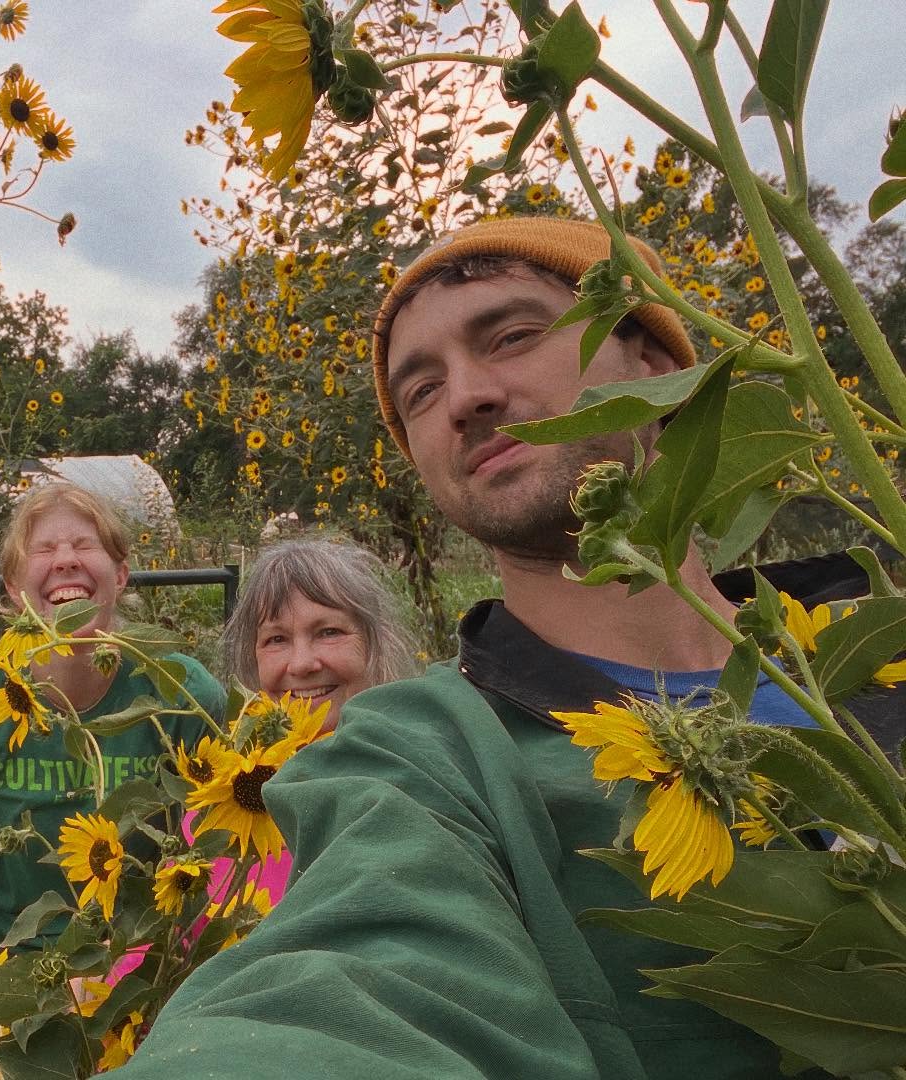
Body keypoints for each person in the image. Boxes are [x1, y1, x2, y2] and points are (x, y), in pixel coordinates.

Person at [111, 218, 902, 1079]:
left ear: (657, 363)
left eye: (514, 336)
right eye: (419, 392)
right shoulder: (427, 759)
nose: (465, 398)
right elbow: (349, 992)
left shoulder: (875, 629)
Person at [0, 482, 226, 947]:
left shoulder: (181, 690)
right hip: (20, 966)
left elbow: (213, 859)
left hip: (149, 961)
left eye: (83, 545)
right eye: (43, 550)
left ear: (120, 575)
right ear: (14, 589)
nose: (65, 560)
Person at [211, 537, 414, 899]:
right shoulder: (226, 797)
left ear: (376, 644)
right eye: (276, 639)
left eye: (329, 632)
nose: (302, 663)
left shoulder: (421, 777)